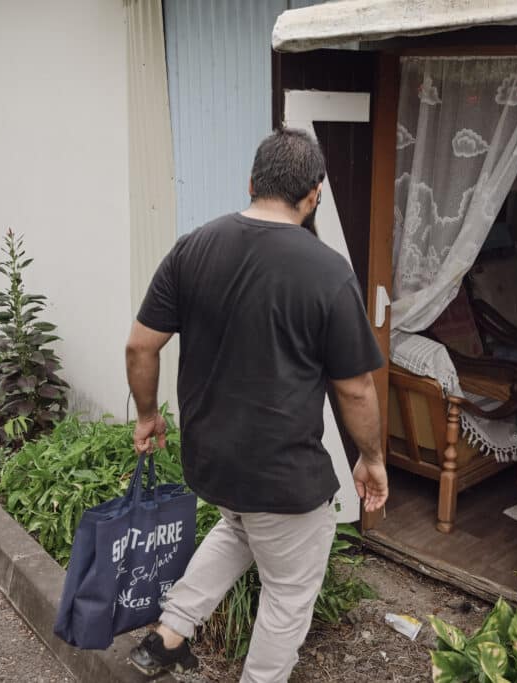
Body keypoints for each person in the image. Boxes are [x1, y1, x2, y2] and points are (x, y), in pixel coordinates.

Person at [124, 127, 388, 682]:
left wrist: (148, 415)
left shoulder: (193, 247)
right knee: (289, 595)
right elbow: (357, 388)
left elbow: (140, 345)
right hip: (282, 475)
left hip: (215, 461)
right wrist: (372, 458)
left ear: (251, 182)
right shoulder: (328, 271)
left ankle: (168, 635)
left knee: (239, 530)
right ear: (314, 194)